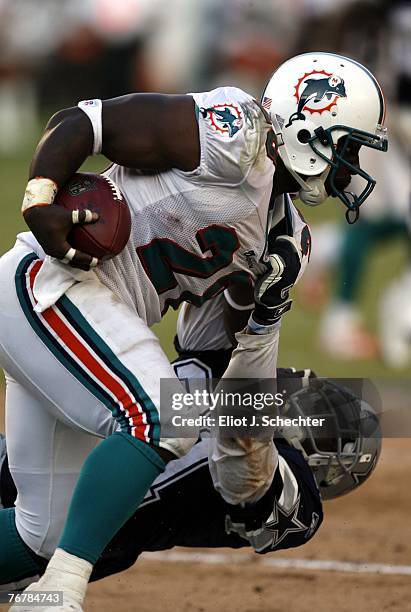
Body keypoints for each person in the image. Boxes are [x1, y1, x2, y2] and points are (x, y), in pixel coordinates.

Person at [0, 52, 387, 611]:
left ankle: (53, 573)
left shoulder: (287, 241)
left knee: (46, 533)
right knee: (156, 417)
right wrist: (41, 193)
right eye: (348, 146)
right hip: (49, 282)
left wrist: (265, 318)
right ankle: (58, 597)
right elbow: (89, 121)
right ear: (312, 123)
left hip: (69, 321)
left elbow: (210, 377)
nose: (351, 168)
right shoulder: (237, 135)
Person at [0, 366, 382, 587]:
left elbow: (251, 475)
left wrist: (257, 369)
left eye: (328, 432)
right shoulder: (228, 382)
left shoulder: (300, 506)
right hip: (42, 450)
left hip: (66, 533)